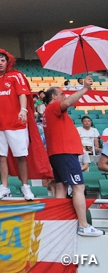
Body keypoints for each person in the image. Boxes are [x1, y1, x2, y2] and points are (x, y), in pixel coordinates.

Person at [42, 76, 104, 236]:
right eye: (61, 94)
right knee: (78, 187)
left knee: (61, 187)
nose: (64, 96)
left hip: (58, 153)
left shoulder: (49, 112)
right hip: (65, 153)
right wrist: (85, 88)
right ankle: (83, 225)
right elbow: (68, 102)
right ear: (54, 96)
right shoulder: (54, 106)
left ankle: (57, 224)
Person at [0, 49, 34, 201]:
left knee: (21, 156)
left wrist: (23, 110)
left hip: (16, 124)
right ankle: (4, 186)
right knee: (1, 157)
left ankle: (25, 186)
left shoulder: (16, 76)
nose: (0, 63)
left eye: (3, 60)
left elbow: (22, 94)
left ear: (8, 62)